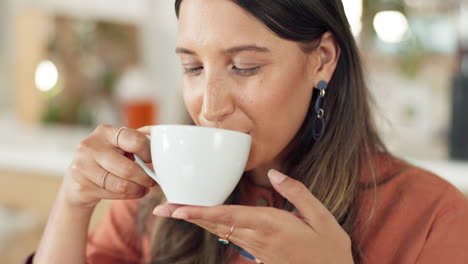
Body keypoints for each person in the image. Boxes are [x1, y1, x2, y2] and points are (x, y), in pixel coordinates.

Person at [29, 0, 468, 263]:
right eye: (193, 67)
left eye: (244, 67)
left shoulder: (432, 218)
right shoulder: (157, 196)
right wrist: (74, 200)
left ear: (323, 60)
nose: (211, 106)